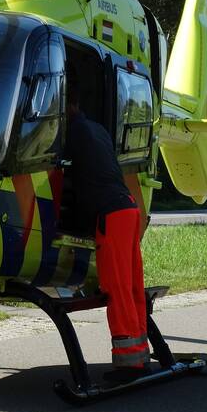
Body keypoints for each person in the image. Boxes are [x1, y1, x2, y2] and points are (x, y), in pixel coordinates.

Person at [63, 67, 150, 381]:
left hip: (111, 216)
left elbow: (52, 160)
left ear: (68, 106)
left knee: (115, 289)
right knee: (131, 285)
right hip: (128, 209)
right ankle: (140, 355)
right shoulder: (97, 129)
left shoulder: (72, 130)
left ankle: (128, 363)